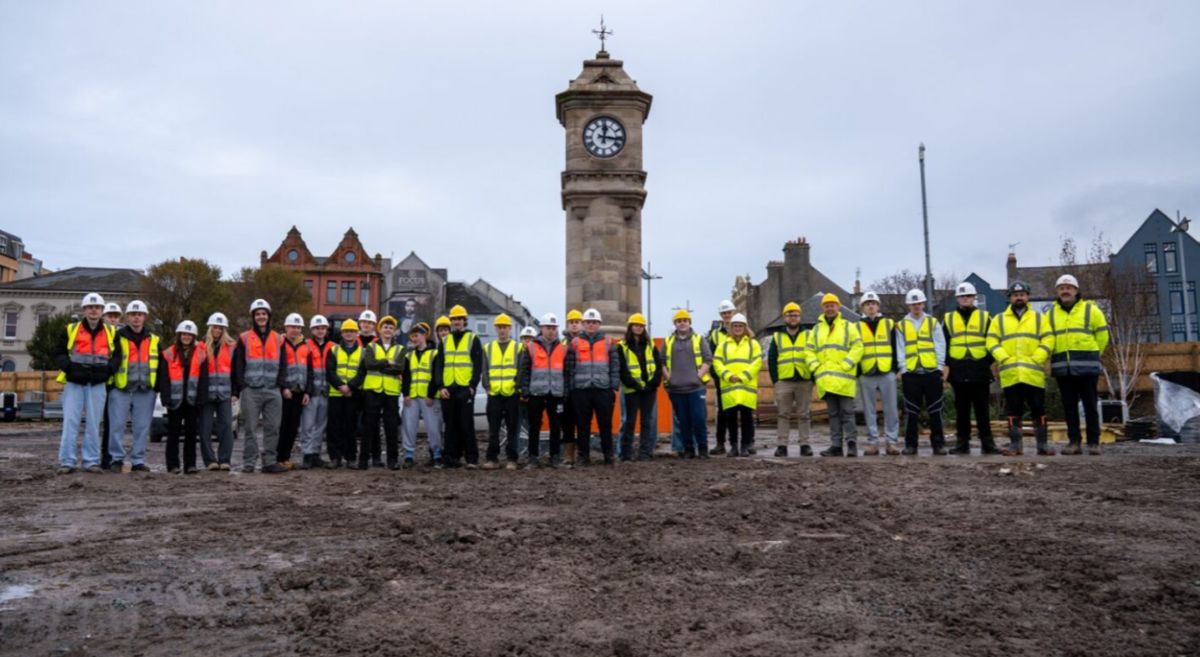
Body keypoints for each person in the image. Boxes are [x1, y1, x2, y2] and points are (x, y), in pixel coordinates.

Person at [986, 281, 1055, 456]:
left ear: (1027, 297)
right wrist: (1003, 357)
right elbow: (991, 342)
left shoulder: (1039, 318)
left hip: (1033, 374)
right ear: (1010, 298)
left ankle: (1043, 445)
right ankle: (1015, 445)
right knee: (1013, 410)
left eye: (1022, 294)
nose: (1019, 297)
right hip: (1011, 374)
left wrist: (1038, 357)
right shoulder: (999, 320)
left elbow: (1048, 340)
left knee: (1038, 409)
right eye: (1015, 295)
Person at [54, 293, 120, 474]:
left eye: (97, 307)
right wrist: (69, 368)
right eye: (90, 307)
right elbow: (59, 352)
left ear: (102, 311)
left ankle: (91, 461)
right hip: (74, 383)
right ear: (84, 310)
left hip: (97, 384)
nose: (93, 310)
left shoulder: (111, 332)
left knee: (93, 424)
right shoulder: (70, 329)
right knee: (70, 422)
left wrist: (107, 371)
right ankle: (67, 461)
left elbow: (117, 357)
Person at [1048, 274, 1109, 455]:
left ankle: (1093, 442)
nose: (1065, 291)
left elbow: (1103, 335)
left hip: (1087, 368)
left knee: (1090, 406)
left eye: (1069, 287)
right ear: (1057, 292)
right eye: (1061, 288)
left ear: (1076, 290)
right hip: (1063, 369)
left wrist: (1095, 355)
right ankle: (1074, 442)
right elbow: (1048, 338)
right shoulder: (1050, 314)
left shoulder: (1091, 311)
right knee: (1069, 408)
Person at [233, 298, 288, 474]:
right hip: (251, 390)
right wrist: (242, 386)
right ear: (253, 316)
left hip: (273, 390)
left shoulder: (279, 339)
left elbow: (284, 364)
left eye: (264, 313)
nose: (261, 316)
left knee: (273, 427)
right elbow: (238, 364)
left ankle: (269, 462)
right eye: (258, 314)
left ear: (268, 316)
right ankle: (249, 462)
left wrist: (281, 384)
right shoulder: (244, 338)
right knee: (250, 428)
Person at [942, 282, 998, 455]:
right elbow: (943, 343)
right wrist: (949, 363)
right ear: (957, 299)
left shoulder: (985, 317)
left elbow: (993, 341)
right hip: (958, 371)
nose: (965, 299)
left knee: (982, 410)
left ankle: (987, 444)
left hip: (980, 370)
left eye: (968, 296)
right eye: (962, 296)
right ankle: (962, 443)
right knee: (962, 411)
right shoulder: (948, 318)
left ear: (974, 298)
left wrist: (986, 361)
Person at [806, 294, 863, 457]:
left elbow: (858, 347)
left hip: (844, 380)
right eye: (827, 305)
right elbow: (809, 351)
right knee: (833, 415)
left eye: (832, 305)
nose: (830, 308)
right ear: (823, 308)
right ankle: (836, 446)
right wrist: (816, 367)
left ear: (838, 307)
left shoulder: (848, 326)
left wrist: (847, 364)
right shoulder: (816, 329)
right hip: (827, 380)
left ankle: (851, 444)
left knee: (847, 413)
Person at [107, 299, 158, 473]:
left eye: (140, 314)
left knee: (142, 427)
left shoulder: (154, 339)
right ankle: (116, 459)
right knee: (117, 425)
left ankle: (138, 460)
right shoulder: (116, 337)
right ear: (127, 317)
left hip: (144, 389)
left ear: (145, 317)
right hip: (120, 388)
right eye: (133, 314)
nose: (136, 318)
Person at [564, 308, 620, 465]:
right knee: (582, 425)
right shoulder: (574, 343)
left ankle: (608, 455)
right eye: (588, 322)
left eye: (594, 322)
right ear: (583, 324)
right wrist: (572, 388)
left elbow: (615, 365)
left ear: (599, 324)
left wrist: (613, 385)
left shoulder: (609, 342)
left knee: (605, 424)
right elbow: (569, 368)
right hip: (581, 391)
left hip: (603, 389)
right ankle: (583, 456)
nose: (591, 325)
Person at [895, 289, 948, 456]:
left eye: (919, 303)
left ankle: (938, 444)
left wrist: (939, 366)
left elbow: (940, 344)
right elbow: (900, 348)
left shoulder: (933, 323)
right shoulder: (901, 325)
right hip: (911, 373)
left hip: (931, 372)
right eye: (913, 304)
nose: (916, 306)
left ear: (923, 304)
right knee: (911, 411)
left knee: (935, 410)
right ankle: (911, 445)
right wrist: (903, 369)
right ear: (908, 305)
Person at [437, 304, 483, 468]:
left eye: (459, 319)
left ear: (465, 321)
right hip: (448, 388)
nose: (456, 322)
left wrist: (472, 386)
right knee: (450, 425)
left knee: (466, 424)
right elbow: (439, 365)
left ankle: (471, 458)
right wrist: (441, 386)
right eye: (454, 319)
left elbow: (478, 365)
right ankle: (450, 457)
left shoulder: (473, 339)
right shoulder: (445, 341)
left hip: (465, 387)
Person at [663, 309, 713, 459]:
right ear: (675, 324)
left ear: (690, 322)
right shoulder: (668, 341)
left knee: (698, 419)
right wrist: (669, 378)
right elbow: (661, 362)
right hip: (676, 389)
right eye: (679, 321)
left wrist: (699, 375)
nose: (682, 323)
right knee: (683, 422)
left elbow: (708, 358)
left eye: (685, 320)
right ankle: (688, 449)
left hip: (696, 388)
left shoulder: (699, 339)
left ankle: (703, 449)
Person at [159, 321, 207, 473]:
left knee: (191, 434)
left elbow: (203, 379)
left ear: (194, 337)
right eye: (184, 334)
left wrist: (201, 399)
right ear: (179, 335)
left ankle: (190, 465)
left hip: (192, 401)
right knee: (173, 434)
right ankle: (173, 465)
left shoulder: (201, 354)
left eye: (189, 335)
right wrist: (165, 398)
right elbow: (164, 379)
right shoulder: (168, 354)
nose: (186, 337)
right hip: (175, 401)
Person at [520, 314, 566, 467]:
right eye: (548, 328)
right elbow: (525, 371)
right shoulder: (531, 347)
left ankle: (555, 457)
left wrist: (565, 392)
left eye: (553, 328)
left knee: (555, 426)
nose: (551, 331)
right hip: (536, 394)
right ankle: (533, 457)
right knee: (534, 426)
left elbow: (567, 372)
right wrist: (525, 390)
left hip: (556, 394)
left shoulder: (563, 348)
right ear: (541, 329)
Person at [856, 292, 899, 456]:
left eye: (873, 303)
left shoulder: (889, 324)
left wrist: (895, 369)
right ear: (863, 307)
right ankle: (873, 442)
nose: (871, 306)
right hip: (867, 373)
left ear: (878, 306)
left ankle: (891, 442)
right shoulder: (857, 326)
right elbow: (855, 349)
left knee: (891, 409)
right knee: (869, 410)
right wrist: (859, 371)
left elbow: (896, 347)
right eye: (867, 304)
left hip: (886, 371)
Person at [714, 313, 761, 457]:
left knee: (747, 418)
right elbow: (717, 362)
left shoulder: (753, 344)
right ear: (731, 328)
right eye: (735, 326)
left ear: (745, 327)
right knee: (731, 419)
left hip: (746, 388)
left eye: (740, 326)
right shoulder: (723, 345)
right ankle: (733, 446)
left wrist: (743, 376)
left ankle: (745, 446)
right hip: (730, 388)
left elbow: (757, 362)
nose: (738, 328)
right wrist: (728, 376)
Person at [617, 313, 663, 461]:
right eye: (635, 325)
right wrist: (635, 385)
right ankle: (626, 454)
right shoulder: (621, 347)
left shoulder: (651, 346)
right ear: (630, 327)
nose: (638, 328)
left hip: (648, 390)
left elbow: (657, 367)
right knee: (629, 422)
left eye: (641, 325)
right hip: (631, 390)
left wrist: (652, 384)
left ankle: (644, 452)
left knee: (646, 422)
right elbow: (622, 369)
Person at [769, 301, 813, 457]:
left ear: (800, 317)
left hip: (804, 379)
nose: (792, 318)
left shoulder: (809, 334)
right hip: (784, 381)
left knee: (804, 414)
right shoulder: (777, 336)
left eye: (795, 315)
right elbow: (772, 359)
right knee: (783, 414)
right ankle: (782, 445)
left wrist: (812, 377)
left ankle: (805, 444)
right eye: (789, 315)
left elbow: (815, 354)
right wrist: (776, 380)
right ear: (784, 317)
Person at [360, 315, 403, 469]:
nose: (388, 330)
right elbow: (369, 364)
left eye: (391, 328)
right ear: (380, 329)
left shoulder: (400, 348)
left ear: (394, 331)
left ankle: (392, 460)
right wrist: (387, 362)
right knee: (369, 426)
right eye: (385, 327)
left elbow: (399, 368)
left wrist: (382, 366)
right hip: (373, 390)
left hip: (391, 392)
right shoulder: (372, 347)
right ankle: (363, 460)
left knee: (391, 427)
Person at [401, 322, 443, 468]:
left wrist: (431, 395)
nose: (414, 338)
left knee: (433, 427)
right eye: (412, 336)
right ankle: (408, 456)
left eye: (417, 335)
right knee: (409, 426)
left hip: (429, 398)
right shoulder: (409, 355)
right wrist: (405, 394)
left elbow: (436, 375)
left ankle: (436, 454)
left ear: (425, 335)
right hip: (412, 397)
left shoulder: (435, 353)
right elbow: (406, 376)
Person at [481, 314, 520, 469]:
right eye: (500, 327)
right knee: (493, 429)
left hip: (511, 394)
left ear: (510, 328)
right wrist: (487, 386)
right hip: (494, 394)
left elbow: (521, 370)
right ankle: (492, 458)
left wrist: (517, 388)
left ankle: (512, 459)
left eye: (505, 327)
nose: (502, 330)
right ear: (495, 328)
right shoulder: (488, 348)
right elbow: (485, 370)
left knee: (512, 429)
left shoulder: (518, 347)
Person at [198, 312, 237, 470]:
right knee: (205, 429)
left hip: (225, 394)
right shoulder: (200, 346)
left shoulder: (231, 347)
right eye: (215, 327)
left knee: (227, 427)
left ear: (224, 329)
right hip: (206, 395)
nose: (217, 330)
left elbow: (236, 371)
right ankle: (210, 461)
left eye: (220, 328)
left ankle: (225, 460)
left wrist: (235, 391)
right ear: (210, 327)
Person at [326, 319, 366, 468]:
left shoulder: (363, 352)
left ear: (357, 333)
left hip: (352, 395)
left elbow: (362, 372)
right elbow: (330, 371)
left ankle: (350, 457)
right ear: (342, 333)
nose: (349, 334)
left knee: (351, 427)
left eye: (352, 331)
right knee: (334, 426)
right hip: (336, 394)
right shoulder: (334, 350)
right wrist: (340, 386)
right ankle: (335, 457)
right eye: (346, 331)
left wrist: (350, 387)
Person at [278, 313, 312, 470]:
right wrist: (283, 387)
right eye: (292, 327)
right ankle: (277, 457)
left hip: (299, 392)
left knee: (293, 427)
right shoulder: (279, 343)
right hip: (284, 392)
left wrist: (307, 392)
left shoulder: (306, 346)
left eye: (298, 327)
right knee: (281, 426)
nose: (295, 330)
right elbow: (277, 367)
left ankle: (285, 458)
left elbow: (310, 371)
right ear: (286, 327)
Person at [298, 315, 333, 469]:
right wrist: (307, 390)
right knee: (307, 425)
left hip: (326, 392)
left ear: (326, 330)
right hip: (311, 393)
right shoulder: (305, 345)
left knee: (320, 426)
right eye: (317, 328)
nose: (320, 331)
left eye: (323, 328)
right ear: (312, 329)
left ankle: (316, 454)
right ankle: (307, 454)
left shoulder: (333, 346)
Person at [708, 300, 736, 454]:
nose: (727, 315)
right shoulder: (715, 334)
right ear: (721, 315)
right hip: (722, 379)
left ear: (734, 313)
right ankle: (720, 443)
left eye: (729, 312)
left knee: (744, 411)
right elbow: (711, 357)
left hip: (740, 379)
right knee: (723, 412)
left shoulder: (742, 330)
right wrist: (717, 376)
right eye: (724, 313)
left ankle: (747, 442)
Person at [99, 302, 123, 470]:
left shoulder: (121, 336)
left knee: (111, 423)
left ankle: (107, 457)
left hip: (114, 385)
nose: (113, 319)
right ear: (104, 317)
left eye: (115, 317)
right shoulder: (99, 334)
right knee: (95, 422)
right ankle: (97, 456)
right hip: (98, 382)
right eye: (110, 316)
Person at [560, 308, 584, 465]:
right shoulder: (561, 344)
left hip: (582, 389)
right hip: (565, 389)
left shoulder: (586, 342)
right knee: (567, 423)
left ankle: (582, 453)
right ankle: (569, 455)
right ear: (567, 325)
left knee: (582, 423)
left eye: (577, 322)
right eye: (572, 322)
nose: (574, 325)